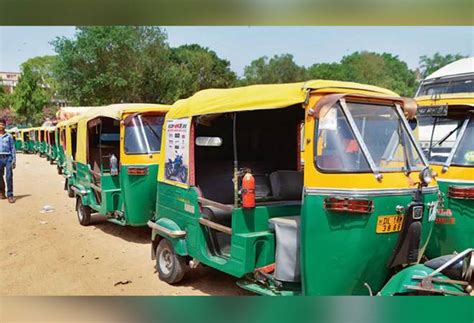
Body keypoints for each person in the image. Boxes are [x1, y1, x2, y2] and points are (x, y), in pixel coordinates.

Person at [0, 119, 16, 203]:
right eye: (0, 124)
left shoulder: (9, 136)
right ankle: (2, 192)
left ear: (5, 126)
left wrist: (14, 160)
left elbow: (13, 148)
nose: (1, 126)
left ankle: (10, 195)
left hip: (8, 157)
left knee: (9, 176)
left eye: (2, 124)